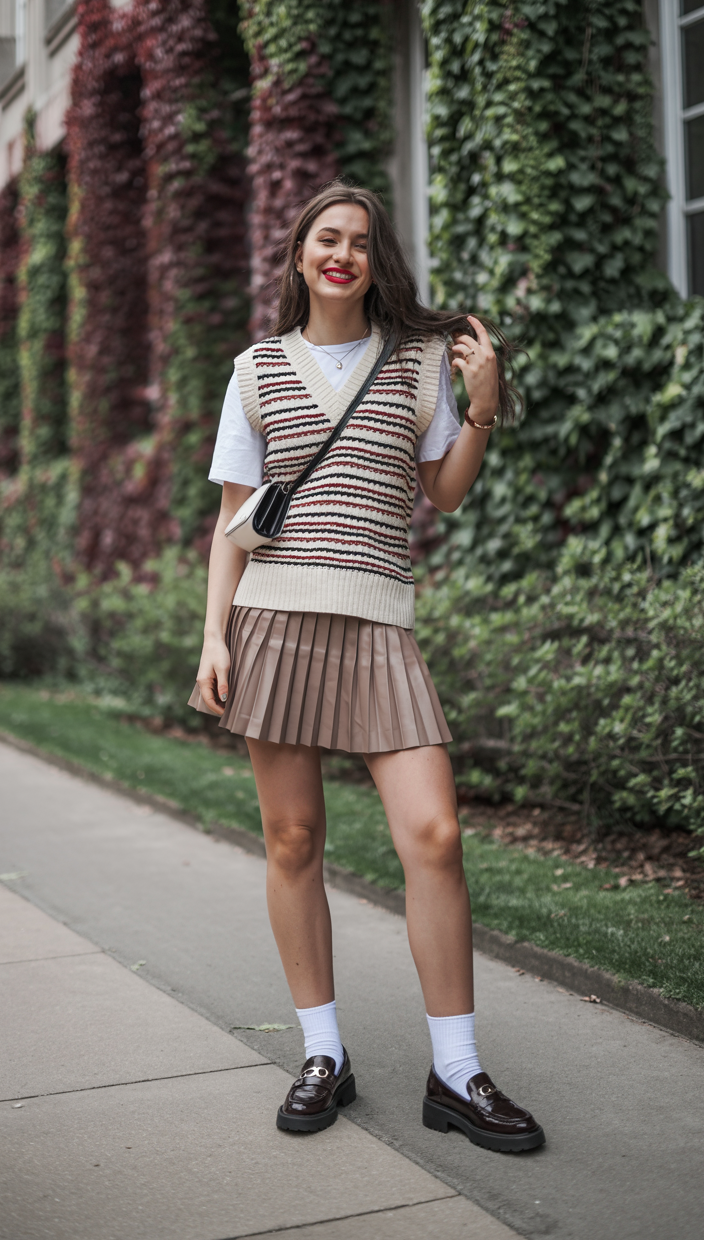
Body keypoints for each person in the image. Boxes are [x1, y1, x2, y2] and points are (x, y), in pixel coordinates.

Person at [190, 180, 545, 1153]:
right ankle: (321, 1052)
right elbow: (232, 522)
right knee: (293, 842)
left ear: (372, 259)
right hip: (273, 625)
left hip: (380, 629)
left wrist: (478, 406)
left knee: (432, 835)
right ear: (299, 254)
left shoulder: (419, 358)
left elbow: (445, 496)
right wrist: (214, 636)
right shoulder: (256, 368)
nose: (340, 252)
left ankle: (457, 1070)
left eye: (356, 240)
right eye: (324, 237)